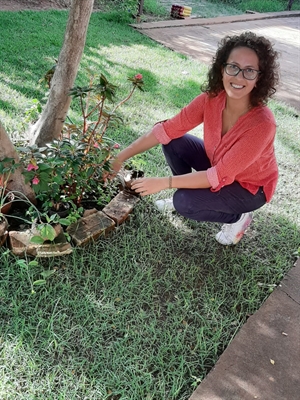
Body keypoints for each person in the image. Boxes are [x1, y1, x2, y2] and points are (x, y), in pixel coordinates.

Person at [109, 31, 280, 245]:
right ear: (222, 68)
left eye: (249, 71)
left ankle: (238, 217)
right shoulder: (211, 99)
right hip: (218, 164)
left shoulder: (262, 124)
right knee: (173, 140)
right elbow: (166, 130)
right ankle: (189, 190)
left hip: (249, 187)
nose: (238, 77)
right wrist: (119, 158)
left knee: (185, 203)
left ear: (260, 77)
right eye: (233, 67)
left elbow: (218, 175)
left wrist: (163, 183)